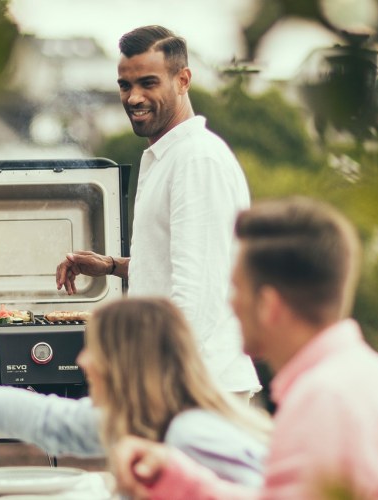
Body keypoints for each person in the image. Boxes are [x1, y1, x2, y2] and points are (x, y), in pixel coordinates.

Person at [111, 197, 378, 499]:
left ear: (269, 305)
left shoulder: (324, 401)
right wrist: (174, 478)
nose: (231, 305)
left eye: (237, 289)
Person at [55, 26, 258, 396]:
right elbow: (179, 263)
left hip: (195, 387)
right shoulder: (172, 156)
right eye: (124, 85)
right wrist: (112, 266)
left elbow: (197, 292)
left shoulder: (196, 160)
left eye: (148, 83)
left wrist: (153, 384)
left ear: (183, 80)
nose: (134, 98)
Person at [0, 297, 272, 486]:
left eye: (94, 349)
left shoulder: (191, 435)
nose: (84, 361)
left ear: (126, 363)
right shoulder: (147, 421)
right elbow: (52, 421)